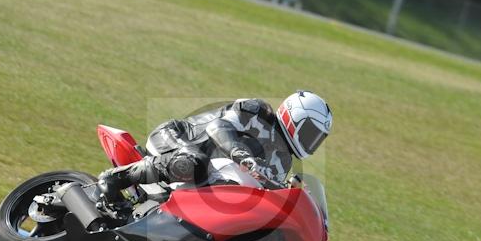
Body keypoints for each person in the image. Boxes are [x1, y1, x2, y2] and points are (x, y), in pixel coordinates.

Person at [97, 90, 332, 200]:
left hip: (207, 178)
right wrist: (239, 152)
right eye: (311, 131)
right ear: (294, 117)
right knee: (195, 161)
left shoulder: (284, 161)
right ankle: (115, 178)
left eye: (317, 138)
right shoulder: (258, 112)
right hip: (177, 139)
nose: (312, 141)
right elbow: (219, 128)